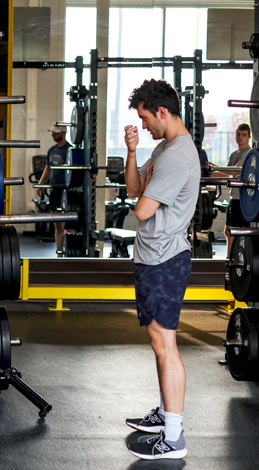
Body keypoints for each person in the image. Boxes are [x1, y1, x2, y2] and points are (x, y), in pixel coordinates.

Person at [122, 79, 200, 460]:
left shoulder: (178, 155)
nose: (144, 125)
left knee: (165, 344)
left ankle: (173, 437)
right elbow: (135, 188)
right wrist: (134, 153)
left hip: (166, 259)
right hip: (153, 255)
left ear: (163, 112)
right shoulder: (163, 148)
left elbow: (141, 210)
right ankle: (165, 414)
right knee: (158, 342)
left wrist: (150, 180)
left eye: (145, 119)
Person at [207, 123, 251, 254]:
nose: (240, 137)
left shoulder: (248, 153)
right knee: (228, 231)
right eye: (238, 134)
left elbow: (234, 172)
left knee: (235, 232)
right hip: (234, 197)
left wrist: (212, 172)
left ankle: (233, 261)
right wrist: (214, 168)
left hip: (242, 198)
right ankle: (229, 260)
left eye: (244, 135)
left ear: (249, 137)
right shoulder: (234, 154)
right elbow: (226, 171)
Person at [36, 125, 72, 254]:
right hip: (55, 191)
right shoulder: (52, 150)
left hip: (68, 192)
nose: (52, 135)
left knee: (69, 225)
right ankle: (59, 253)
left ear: (63, 133)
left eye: (55, 133)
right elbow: (48, 169)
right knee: (57, 225)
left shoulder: (70, 150)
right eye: (52, 132)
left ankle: (70, 251)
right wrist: (40, 184)